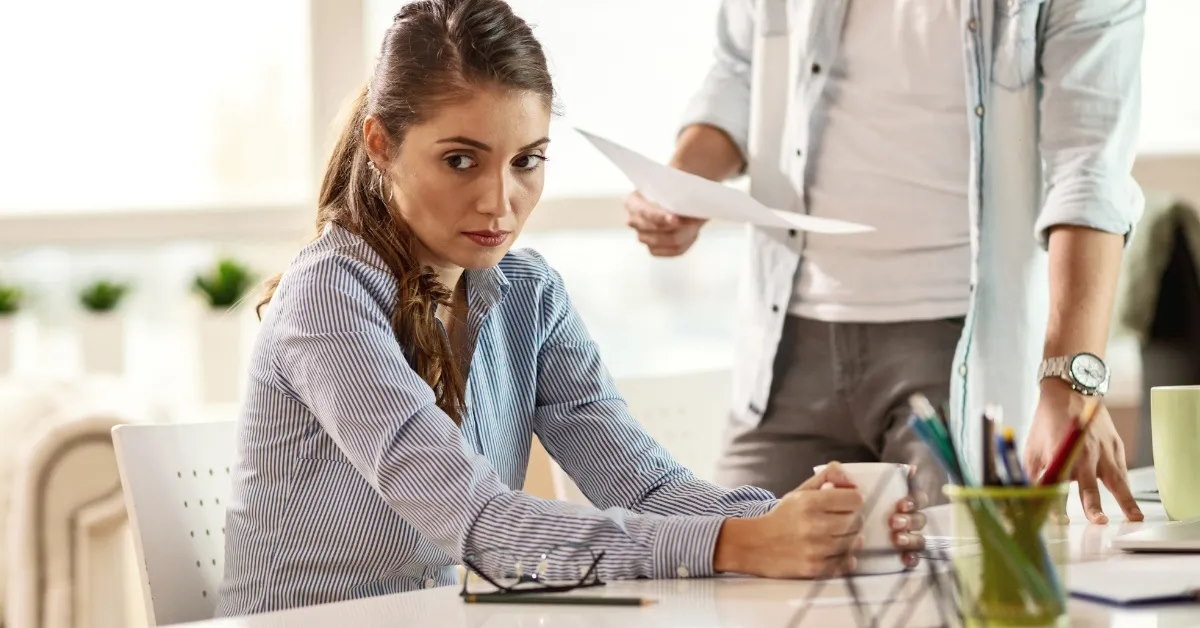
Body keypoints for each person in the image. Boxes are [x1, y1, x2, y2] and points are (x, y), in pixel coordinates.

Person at [216, 0, 926, 616]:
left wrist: (804, 522)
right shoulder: (328, 298)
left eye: (527, 160)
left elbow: (645, 485)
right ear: (382, 144)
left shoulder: (527, 293)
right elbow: (483, 526)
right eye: (461, 159)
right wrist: (741, 541)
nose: (500, 202)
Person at [625, 0, 1147, 523]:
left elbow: (1089, 167)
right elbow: (742, 71)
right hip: (784, 347)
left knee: (947, 591)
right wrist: (682, 184)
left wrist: (1070, 380)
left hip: (960, 353)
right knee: (741, 580)